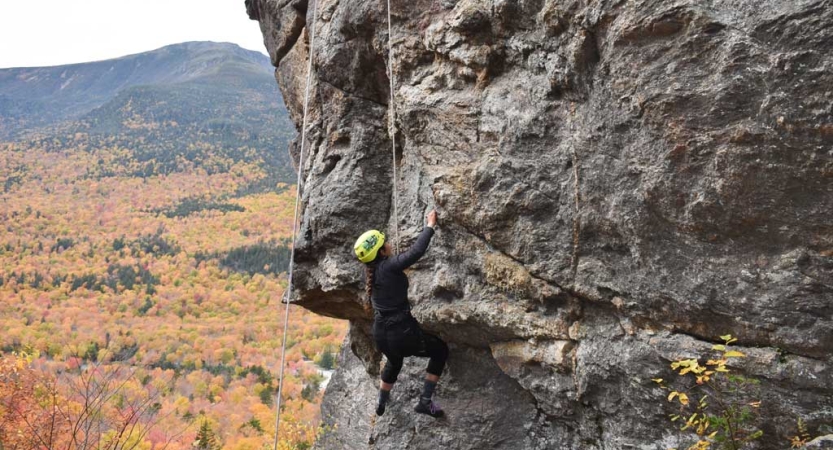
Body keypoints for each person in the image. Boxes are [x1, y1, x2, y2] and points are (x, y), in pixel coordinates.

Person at [353, 209, 448, 418]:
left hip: (381, 333)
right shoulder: (389, 266)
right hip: (402, 333)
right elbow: (416, 252)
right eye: (385, 242)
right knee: (440, 351)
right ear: (380, 252)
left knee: (394, 362)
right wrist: (430, 225)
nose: (389, 243)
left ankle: (381, 403)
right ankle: (425, 402)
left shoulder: (372, 271)